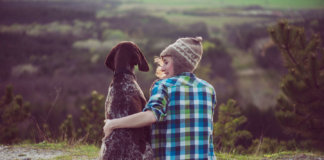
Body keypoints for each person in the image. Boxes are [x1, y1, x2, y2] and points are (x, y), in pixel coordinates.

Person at [103, 36, 217, 160]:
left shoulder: (164, 86)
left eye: (166, 62)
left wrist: (112, 124)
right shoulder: (208, 89)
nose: (162, 68)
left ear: (180, 62)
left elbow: (150, 116)